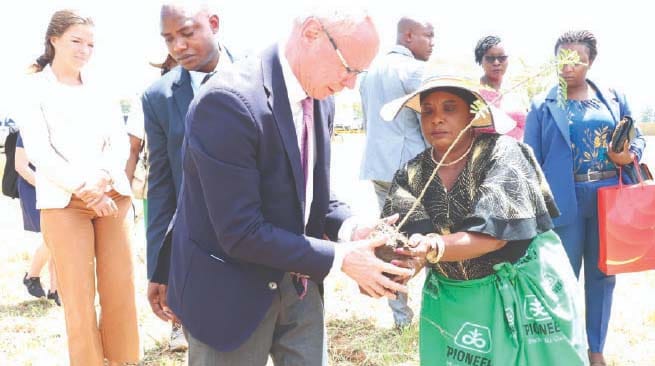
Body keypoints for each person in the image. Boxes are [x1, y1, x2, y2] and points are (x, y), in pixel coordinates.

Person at [149, 9, 413, 365]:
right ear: (311, 33)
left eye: (358, 73)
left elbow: (311, 191)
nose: (351, 83)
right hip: (229, 294)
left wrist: (354, 228)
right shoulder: (227, 101)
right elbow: (240, 231)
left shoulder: (321, 97)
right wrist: (343, 258)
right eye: (348, 67)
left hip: (299, 286)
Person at [380, 76, 588, 365]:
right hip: (456, 299)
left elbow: (495, 236)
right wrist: (404, 264)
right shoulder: (412, 173)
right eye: (428, 110)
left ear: (473, 114)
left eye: (449, 108)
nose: (436, 119)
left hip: (520, 291)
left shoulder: (503, 153)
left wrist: (431, 246)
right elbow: (409, 244)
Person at [14, 9, 139, 366]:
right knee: (78, 298)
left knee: (120, 289)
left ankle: (124, 361)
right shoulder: (33, 88)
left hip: (112, 195)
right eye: (76, 41)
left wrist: (101, 181)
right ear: (54, 40)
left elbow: (119, 141)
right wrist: (84, 187)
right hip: (63, 200)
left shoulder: (102, 85)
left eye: (90, 44)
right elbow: (39, 150)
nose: (85, 50)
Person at [524, 30, 646, 366]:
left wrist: (628, 156)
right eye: (562, 57)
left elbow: (636, 140)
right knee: (561, 278)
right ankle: (564, 346)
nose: (568, 64)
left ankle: (595, 351)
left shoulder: (614, 97)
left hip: (608, 197)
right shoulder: (543, 105)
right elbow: (528, 159)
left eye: (576, 58)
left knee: (603, 276)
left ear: (590, 61)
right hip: (564, 198)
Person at [142, 1, 233, 352]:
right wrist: (159, 268)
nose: (178, 46)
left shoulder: (260, 74)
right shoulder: (158, 97)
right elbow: (162, 187)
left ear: (213, 23)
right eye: (168, 39)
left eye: (187, 33)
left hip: (262, 241)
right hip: (197, 245)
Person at [358, 16, 434, 328]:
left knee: (391, 240)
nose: (432, 43)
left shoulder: (369, 71)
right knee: (427, 239)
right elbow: (429, 124)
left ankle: (401, 318)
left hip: (378, 166)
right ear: (408, 35)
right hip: (411, 169)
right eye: (428, 35)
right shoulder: (414, 70)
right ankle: (434, 314)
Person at [15, 132, 60, 306]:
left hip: (58, 188)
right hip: (34, 187)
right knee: (53, 237)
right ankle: (32, 276)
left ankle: (55, 290)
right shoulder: (28, 127)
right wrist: (45, 186)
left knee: (58, 238)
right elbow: (20, 165)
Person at [474, 35, 527, 140]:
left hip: (519, 152)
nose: (496, 63)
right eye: (490, 58)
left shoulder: (517, 90)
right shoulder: (474, 92)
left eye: (502, 58)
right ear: (480, 60)